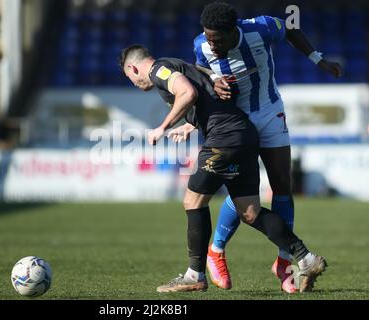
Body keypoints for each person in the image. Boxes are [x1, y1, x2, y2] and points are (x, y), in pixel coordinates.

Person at [119, 44, 327, 293]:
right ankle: (306, 258)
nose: (133, 82)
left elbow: (187, 93)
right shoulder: (176, 63)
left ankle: (194, 274)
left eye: (129, 77)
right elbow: (209, 92)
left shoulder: (158, 70)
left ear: (132, 67)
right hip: (244, 134)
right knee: (249, 212)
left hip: (224, 138)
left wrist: (162, 127)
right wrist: (191, 124)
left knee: (193, 200)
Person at [193, 2, 342, 293]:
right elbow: (197, 69)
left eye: (217, 39)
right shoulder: (202, 45)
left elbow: (290, 28)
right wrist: (212, 80)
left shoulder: (261, 28)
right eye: (208, 37)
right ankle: (216, 251)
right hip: (235, 123)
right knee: (242, 192)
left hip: (270, 111)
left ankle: (284, 264)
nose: (212, 44)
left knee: (282, 185)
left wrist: (317, 59)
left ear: (232, 31)